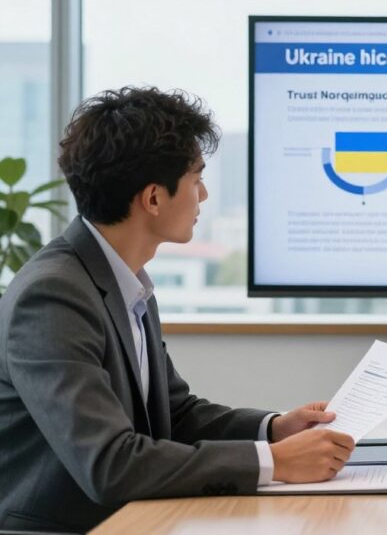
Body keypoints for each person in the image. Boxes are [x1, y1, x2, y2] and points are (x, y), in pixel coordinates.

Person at [0, 87, 356, 532]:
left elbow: (176, 414)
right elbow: (109, 464)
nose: (203, 195)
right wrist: (273, 461)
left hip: (135, 519)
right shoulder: (53, 296)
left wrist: (274, 429)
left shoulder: (125, 281)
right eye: (195, 179)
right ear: (153, 198)